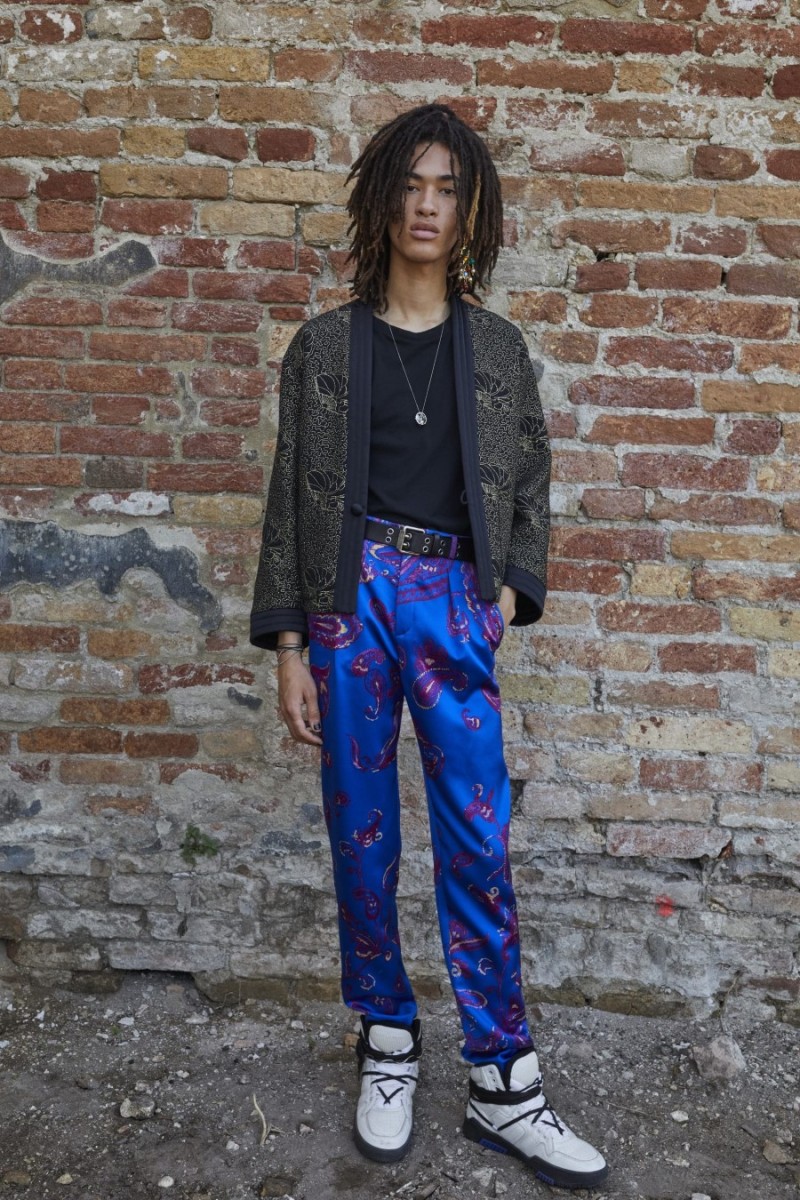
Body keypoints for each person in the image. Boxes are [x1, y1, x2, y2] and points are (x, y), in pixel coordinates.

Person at [249, 103, 608, 1191]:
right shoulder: (324, 348)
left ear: (469, 212)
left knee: (475, 839)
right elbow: (287, 502)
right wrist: (288, 644)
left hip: (452, 596)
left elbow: (532, 475)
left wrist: (505, 591)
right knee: (361, 836)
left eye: (447, 188)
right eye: (409, 184)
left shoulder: (496, 350)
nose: (425, 205)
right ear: (381, 200)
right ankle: (388, 1042)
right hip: (346, 601)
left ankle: (503, 1082)